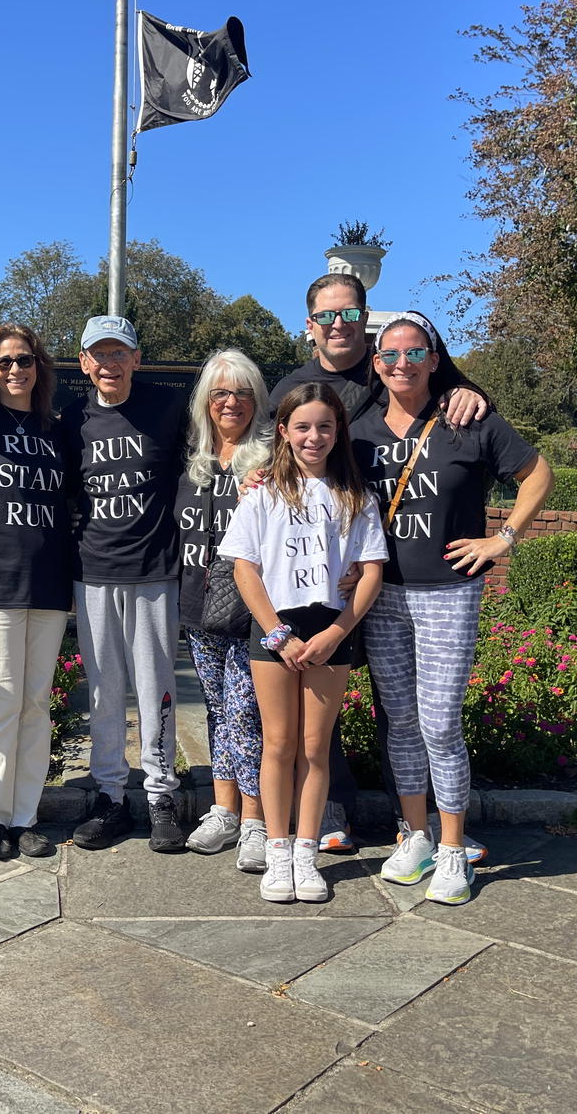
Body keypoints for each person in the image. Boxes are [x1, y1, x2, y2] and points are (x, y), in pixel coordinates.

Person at [267, 275, 489, 858]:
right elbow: (276, 454)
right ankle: (331, 807)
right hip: (332, 575)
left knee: (412, 708)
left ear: (364, 318)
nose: (338, 324)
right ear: (309, 323)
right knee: (332, 694)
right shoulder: (291, 386)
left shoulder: (394, 364)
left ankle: (415, 824)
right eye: (326, 315)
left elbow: (444, 389)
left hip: (402, 575)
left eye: (350, 313)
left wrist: (471, 392)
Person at [364, 312, 553, 904]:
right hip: (379, 595)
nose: (401, 363)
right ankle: (415, 836)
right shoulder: (358, 428)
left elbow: (537, 473)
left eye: (414, 352)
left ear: (434, 358)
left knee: (440, 723)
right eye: (390, 354)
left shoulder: (466, 418)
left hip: (448, 590)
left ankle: (452, 849)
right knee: (400, 722)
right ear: (376, 363)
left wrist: (505, 538)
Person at [220, 383, 387, 903]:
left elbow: (372, 572)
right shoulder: (263, 491)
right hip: (274, 629)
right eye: (303, 427)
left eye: (325, 427)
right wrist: (276, 633)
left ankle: (306, 851)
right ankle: (276, 848)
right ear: (284, 432)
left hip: (330, 628)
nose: (314, 437)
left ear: (338, 433)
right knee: (279, 744)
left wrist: (338, 631)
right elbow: (245, 568)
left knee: (316, 748)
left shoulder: (356, 497)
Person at [59, 315, 189, 853]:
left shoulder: (168, 407)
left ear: (137, 359)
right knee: (105, 689)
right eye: (99, 354)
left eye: (120, 354)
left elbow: (222, 443)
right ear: (85, 361)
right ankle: (110, 796)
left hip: (155, 571)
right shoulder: (71, 418)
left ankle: (161, 795)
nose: (109, 364)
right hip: (93, 573)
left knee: (156, 685)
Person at [0, 323, 70, 860]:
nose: (15, 370)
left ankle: (26, 816)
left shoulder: (56, 429)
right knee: (0, 700)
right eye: (4, 362)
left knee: (35, 703)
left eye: (24, 360)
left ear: (38, 367)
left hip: (49, 583)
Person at [175, 349, 272, 871]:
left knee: (244, 713)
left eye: (242, 393)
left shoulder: (271, 460)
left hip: (250, 611)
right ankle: (223, 809)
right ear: (205, 403)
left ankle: (255, 820)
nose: (231, 402)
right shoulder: (193, 461)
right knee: (217, 711)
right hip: (198, 606)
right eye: (220, 393)